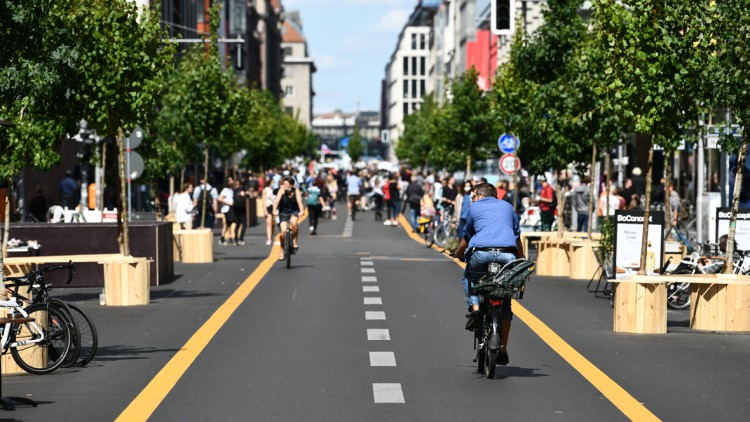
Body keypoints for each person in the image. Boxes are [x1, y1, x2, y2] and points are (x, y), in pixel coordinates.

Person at [455, 183, 524, 366]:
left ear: (479, 195)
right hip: (507, 255)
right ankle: (503, 350)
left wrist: (459, 253)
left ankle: (475, 308)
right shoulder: (508, 206)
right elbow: (517, 236)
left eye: (474, 195)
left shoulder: (474, 207)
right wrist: (521, 259)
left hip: (482, 254)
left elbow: (467, 235)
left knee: (470, 276)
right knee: (505, 301)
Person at [272, 177, 304, 261]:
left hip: (294, 211)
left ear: (292, 185)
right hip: (283, 212)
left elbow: (300, 202)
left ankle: (294, 241)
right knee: (282, 233)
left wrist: (301, 211)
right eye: (283, 184)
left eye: (286, 184)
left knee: (294, 224)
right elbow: (276, 201)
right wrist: (274, 210)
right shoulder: (281, 190)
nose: (284, 186)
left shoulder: (296, 191)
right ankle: (282, 251)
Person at [218, 177, 237, 245]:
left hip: (230, 209)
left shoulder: (231, 189)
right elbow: (220, 198)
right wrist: (229, 203)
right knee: (228, 223)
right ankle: (222, 238)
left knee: (229, 223)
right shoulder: (225, 190)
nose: (232, 181)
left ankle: (229, 237)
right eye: (230, 180)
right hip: (226, 209)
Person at [232, 179, 248, 245]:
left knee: (237, 224)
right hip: (241, 210)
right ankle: (241, 239)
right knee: (244, 224)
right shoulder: (243, 189)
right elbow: (244, 196)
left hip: (235, 209)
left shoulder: (234, 190)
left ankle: (235, 239)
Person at [262, 176, 276, 245]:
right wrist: (264, 210)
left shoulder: (274, 190)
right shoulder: (265, 189)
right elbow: (263, 200)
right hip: (268, 206)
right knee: (269, 223)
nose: (273, 183)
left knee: (273, 224)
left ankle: (271, 237)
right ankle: (269, 239)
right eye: (273, 182)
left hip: (274, 207)